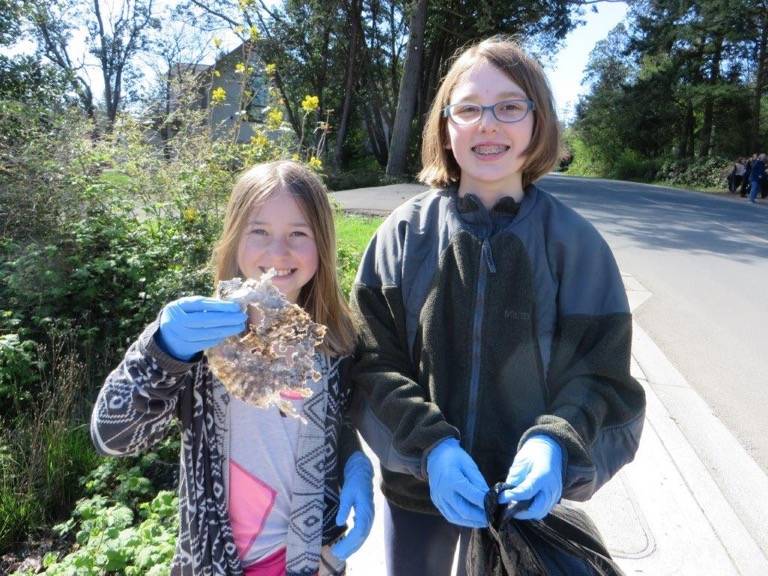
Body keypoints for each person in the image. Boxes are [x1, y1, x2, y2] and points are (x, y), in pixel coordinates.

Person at [350, 37, 646, 575]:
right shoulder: (401, 237)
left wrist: (556, 444)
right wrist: (431, 448)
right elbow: (370, 362)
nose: (488, 124)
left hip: (530, 504)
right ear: (445, 125)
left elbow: (603, 375)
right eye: (468, 108)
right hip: (418, 495)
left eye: (509, 106)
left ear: (538, 121)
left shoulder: (577, 245)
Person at [91, 160, 374, 576]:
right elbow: (112, 437)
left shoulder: (333, 344)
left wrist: (355, 462)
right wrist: (160, 352)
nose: (278, 252)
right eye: (258, 231)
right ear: (233, 239)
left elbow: (335, 424)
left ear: (323, 247)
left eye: (299, 234)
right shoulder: (196, 344)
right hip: (214, 562)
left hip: (312, 561)